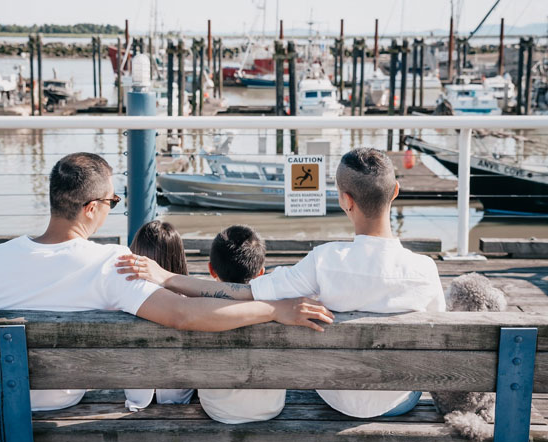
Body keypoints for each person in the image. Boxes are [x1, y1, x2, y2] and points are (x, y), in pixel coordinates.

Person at [0, 152, 333, 411]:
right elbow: (186, 316)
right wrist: (274, 309)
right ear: (90, 208)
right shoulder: (109, 262)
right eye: (112, 201)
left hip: (6, 396)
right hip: (62, 398)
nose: (112, 207)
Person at [117, 148, 445, 419]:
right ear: (396, 192)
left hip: (339, 397)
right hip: (398, 401)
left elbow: (245, 293)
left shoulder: (324, 262)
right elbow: (440, 343)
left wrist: (167, 278)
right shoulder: (426, 271)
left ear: (345, 200)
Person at [198, 225, 286, 424]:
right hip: (271, 407)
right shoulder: (281, 306)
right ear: (261, 272)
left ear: (211, 269)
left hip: (217, 408)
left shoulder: (199, 310)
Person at [124, 220, 194, 410]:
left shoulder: (122, 301)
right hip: (178, 396)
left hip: (136, 397)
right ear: (179, 257)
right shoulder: (191, 303)